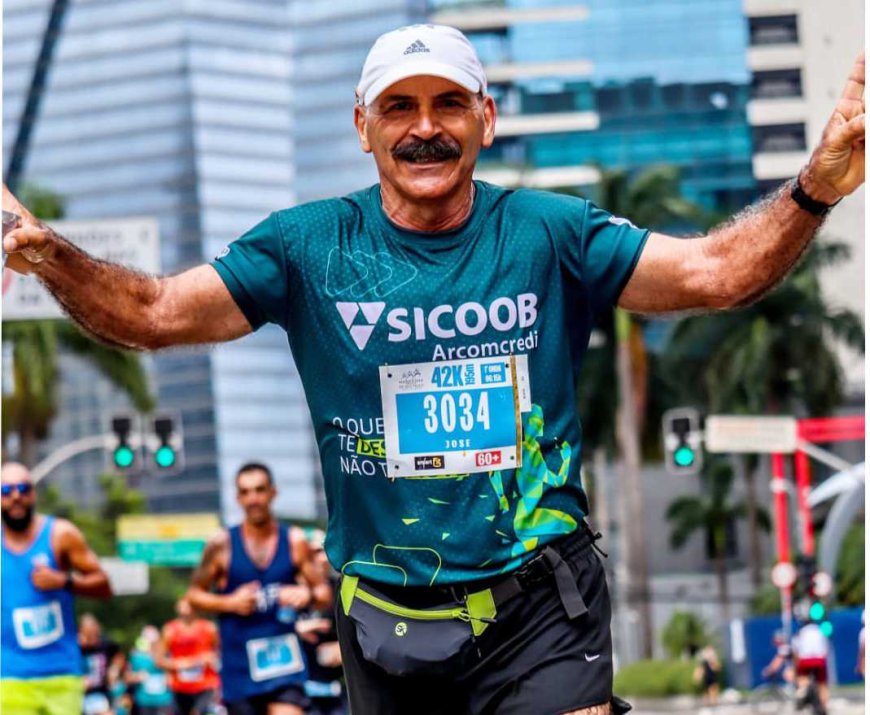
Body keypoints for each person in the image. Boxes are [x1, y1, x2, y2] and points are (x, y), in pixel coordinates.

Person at [2, 23, 864, 715]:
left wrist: (817, 184)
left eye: (449, 103)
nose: (425, 126)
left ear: (485, 119)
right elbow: (154, 314)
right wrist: (48, 256)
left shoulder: (548, 232)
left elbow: (714, 273)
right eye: (400, 106)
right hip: (386, 619)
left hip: (540, 600)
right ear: (363, 125)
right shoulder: (308, 247)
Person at [186, 463, 332, 715]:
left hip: (284, 665)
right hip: (238, 667)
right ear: (238, 497)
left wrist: (305, 595)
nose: (253, 499)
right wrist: (229, 603)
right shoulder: (221, 544)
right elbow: (193, 596)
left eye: (260, 490)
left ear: (273, 493)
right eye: (246, 492)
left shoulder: (294, 541)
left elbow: (324, 594)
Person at [0, 462, 112, 715]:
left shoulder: (61, 535)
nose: (15, 497)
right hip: (9, 678)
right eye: (6, 491)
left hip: (61, 675)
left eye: (23, 489)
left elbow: (104, 586)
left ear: (34, 494)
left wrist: (64, 581)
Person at [296, 529, 345, 715]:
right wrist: (295, 631)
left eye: (324, 550)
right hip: (295, 694)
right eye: (314, 552)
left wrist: (344, 649)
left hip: (338, 691)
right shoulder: (285, 594)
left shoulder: (342, 591)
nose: (323, 558)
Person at [157, 596, 221, 715]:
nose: (186, 610)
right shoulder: (170, 630)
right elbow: (159, 660)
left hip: (205, 684)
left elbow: (221, 652)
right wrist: (180, 664)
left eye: (190, 606)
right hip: (180, 686)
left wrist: (212, 658)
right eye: (183, 606)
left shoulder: (209, 628)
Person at [80, 613, 123, 715]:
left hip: (101, 693)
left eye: (95, 633)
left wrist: (114, 669)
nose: (92, 638)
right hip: (80, 696)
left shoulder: (106, 645)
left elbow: (119, 657)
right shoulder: (76, 648)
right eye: (88, 634)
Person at [128, 625, 175, 715]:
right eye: (148, 639)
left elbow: (175, 672)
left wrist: (169, 676)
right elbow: (127, 677)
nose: (151, 643)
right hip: (144, 702)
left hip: (164, 701)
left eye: (153, 640)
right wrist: (137, 676)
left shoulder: (167, 656)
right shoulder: (136, 657)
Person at [793, 620, 830, 712]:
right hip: (820, 659)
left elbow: (796, 648)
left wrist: (796, 664)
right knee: (822, 684)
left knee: (802, 679)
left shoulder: (801, 632)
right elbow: (826, 648)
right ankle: (823, 705)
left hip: (805, 659)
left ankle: (802, 694)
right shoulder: (820, 630)